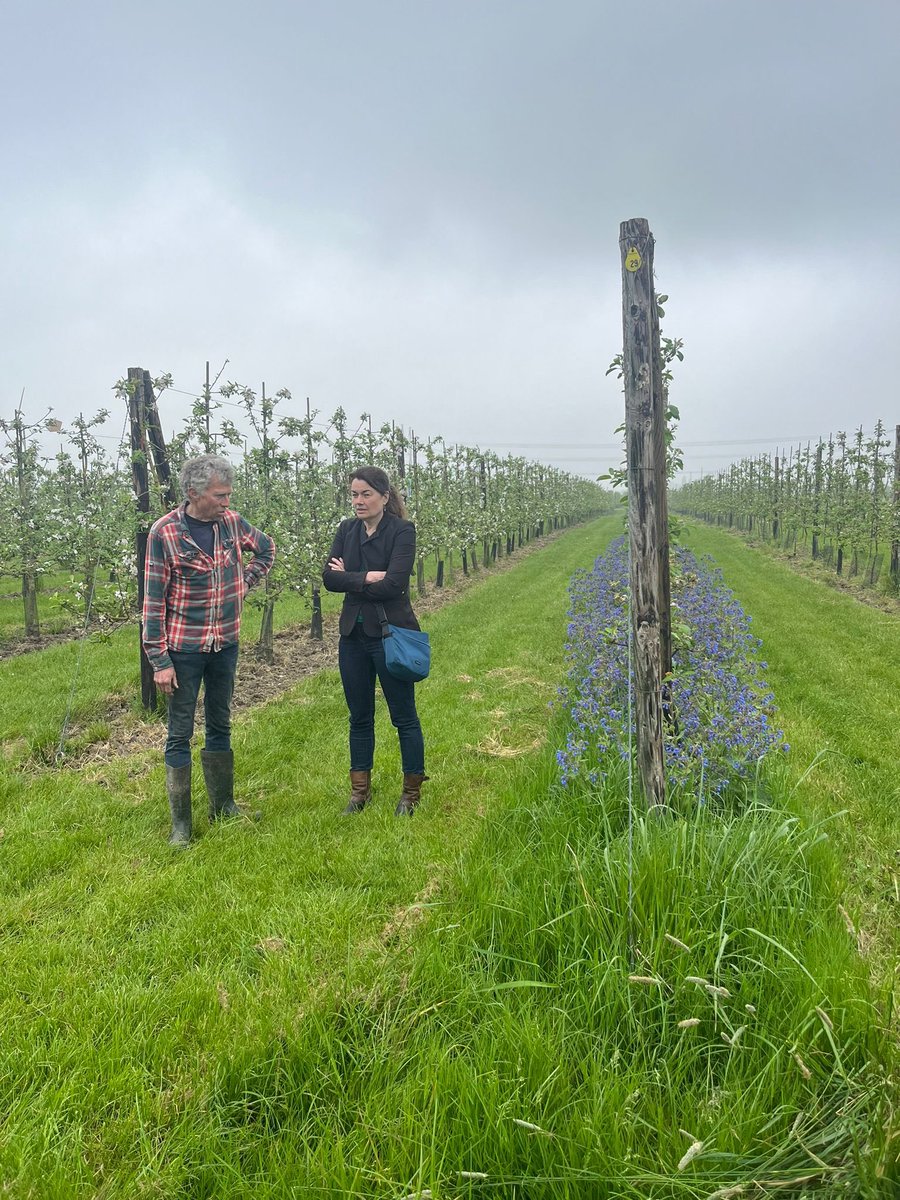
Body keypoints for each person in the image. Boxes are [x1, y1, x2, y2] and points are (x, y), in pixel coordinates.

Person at [142, 454, 275, 846]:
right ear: (193, 492)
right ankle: (181, 824)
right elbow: (152, 601)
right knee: (179, 732)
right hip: (184, 648)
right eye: (220, 495)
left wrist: (246, 581)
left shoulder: (232, 524)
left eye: (229, 495)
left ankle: (223, 805)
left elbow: (266, 550)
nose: (226, 502)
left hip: (225, 643)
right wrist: (159, 660)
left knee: (221, 723)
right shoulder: (164, 533)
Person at [322, 466, 428, 816]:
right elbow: (328, 580)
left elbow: (394, 584)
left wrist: (348, 578)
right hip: (353, 635)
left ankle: (411, 793)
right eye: (354, 494)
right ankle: (359, 793)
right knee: (359, 716)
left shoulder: (402, 532)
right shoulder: (347, 530)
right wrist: (366, 576)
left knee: (403, 716)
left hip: (390, 634)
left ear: (384, 496)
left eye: (366, 494)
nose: (358, 501)